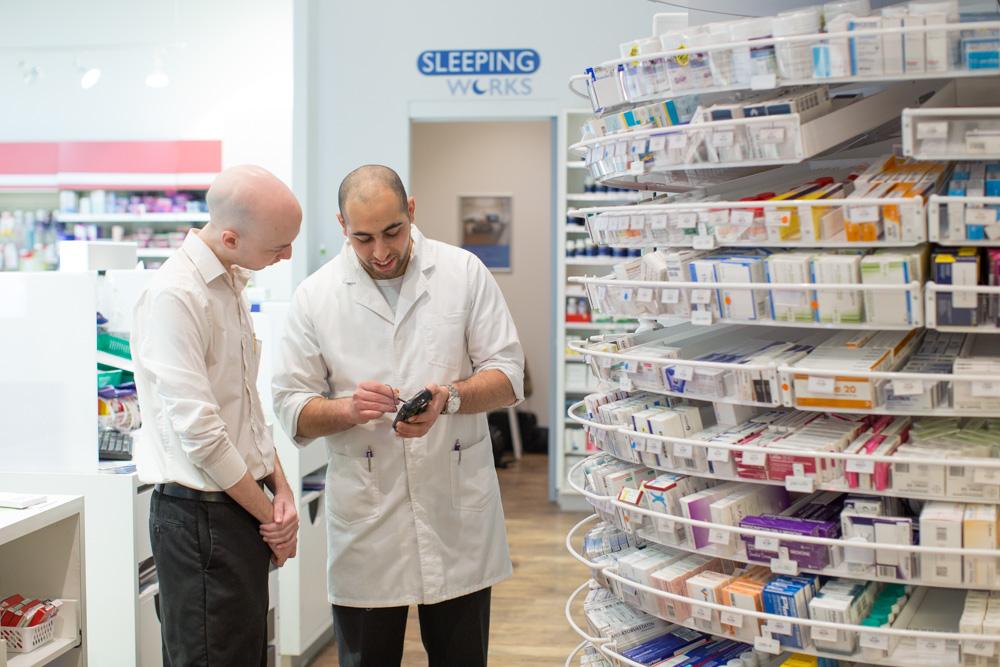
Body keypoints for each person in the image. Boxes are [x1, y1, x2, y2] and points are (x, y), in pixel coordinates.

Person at [272, 164, 524, 667]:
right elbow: (290, 408)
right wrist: (345, 409)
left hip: (455, 512)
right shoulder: (315, 297)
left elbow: (509, 374)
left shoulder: (462, 273)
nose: (381, 252)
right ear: (342, 227)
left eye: (392, 231)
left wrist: (449, 397)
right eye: (363, 238)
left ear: (411, 211)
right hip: (369, 521)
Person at [131, 165, 303, 666]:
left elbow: (245, 407)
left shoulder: (229, 282)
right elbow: (203, 436)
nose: (287, 255)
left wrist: (283, 491)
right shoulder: (176, 296)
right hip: (199, 518)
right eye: (278, 247)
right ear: (230, 237)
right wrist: (270, 515)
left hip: (238, 508)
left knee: (244, 653)